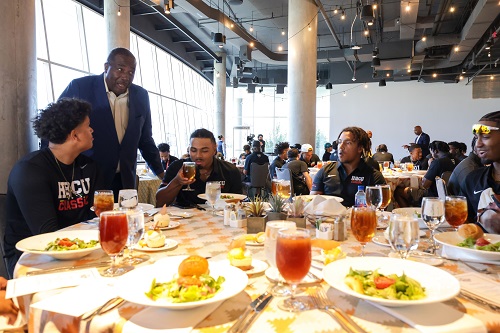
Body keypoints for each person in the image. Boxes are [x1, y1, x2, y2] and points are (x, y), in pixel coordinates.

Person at [4, 99, 98, 277]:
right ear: (75, 135)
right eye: (88, 126)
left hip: (80, 248)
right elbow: (47, 235)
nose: (92, 130)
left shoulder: (88, 166)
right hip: (33, 256)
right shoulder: (30, 170)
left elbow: (95, 216)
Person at [57, 47, 163, 197]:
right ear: (106, 67)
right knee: (92, 220)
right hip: (89, 178)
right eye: (120, 69)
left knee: (128, 220)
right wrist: (54, 169)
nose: (125, 76)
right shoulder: (81, 87)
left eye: (131, 72)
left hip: (125, 181)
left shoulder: (141, 96)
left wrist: (160, 173)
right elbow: (56, 124)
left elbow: (145, 139)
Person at [156, 129, 242, 208]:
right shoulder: (177, 167)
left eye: (204, 151)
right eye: (193, 150)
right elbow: (160, 202)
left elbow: (238, 203)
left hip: (219, 220)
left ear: (214, 149)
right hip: (184, 220)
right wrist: (177, 182)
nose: (198, 156)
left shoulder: (230, 170)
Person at [311, 127, 386, 207]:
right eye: (339, 142)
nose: (341, 147)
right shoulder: (325, 171)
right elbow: (313, 202)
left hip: (358, 218)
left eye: (348, 143)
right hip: (328, 218)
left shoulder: (373, 176)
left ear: (360, 148)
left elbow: (380, 208)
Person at [462, 111, 500, 233]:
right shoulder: (473, 179)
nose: (478, 144)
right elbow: (466, 226)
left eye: (485, 136)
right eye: (476, 137)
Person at [398, 141, 456, 207]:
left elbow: (425, 184)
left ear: (435, 151)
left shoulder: (437, 162)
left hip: (433, 197)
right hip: (452, 197)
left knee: (399, 191)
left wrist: (430, 165)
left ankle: (408, 214)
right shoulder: (456, 160)